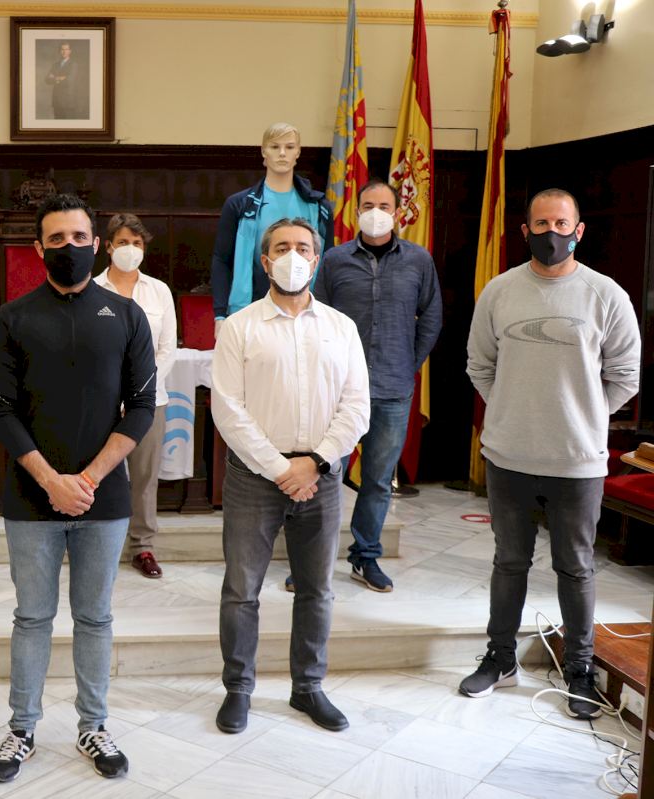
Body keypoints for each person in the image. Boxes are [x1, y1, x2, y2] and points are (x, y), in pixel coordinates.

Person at [0, 194, 156, 783]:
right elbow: (2, 412)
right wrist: (51, 481)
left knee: (95, 618)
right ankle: (21, 729)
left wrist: (86, 479)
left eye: (79, 237)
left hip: (102, 497)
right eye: (56, 239)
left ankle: (93, 725)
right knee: (32, 617)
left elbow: (141, 407)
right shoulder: (12, 318)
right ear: (38, 248)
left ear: (97, 243)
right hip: (30, 497)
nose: (69, 247)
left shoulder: (126, 316)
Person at [461, 189, 640, 719]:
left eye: (562, 224)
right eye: (541, 224)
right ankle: (500, 658)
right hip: (509, 454)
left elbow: (625, 375)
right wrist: (514, 408)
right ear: (525, 231)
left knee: (576, 567)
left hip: (576, 459)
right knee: (509, 561)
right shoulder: (500, 291)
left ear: (579, 231)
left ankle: (580, 670)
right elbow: (479, 365)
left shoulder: (606, 295)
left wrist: (581, 415)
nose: (551, 233)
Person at [211, 218, 369, 736]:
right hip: (255, 475)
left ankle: (308, 687)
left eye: (303, 248)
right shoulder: (240, 327)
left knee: (317, 589)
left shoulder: (341, 327)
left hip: (321, 476)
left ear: (316, 260)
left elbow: (356, 406)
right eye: (282, 248)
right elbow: (227, 410)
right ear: (266, 261)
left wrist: (315, 462)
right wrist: (282, 469)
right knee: (241, 589)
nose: (293, 256)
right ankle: (238, 688)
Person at [314, 179, 442, 592]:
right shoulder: (333, 260)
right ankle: (310, 561)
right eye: (368, 205)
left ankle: (365, 556)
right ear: (356, 212)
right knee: (324, 474)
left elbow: (431, 317)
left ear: (396, 213)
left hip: (392, 390)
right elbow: (316, 318)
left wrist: (409, 364)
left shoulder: (418, 260)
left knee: (377, 480)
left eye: (384, 206)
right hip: (339, 391)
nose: (376, 212)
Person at [93, 213, 176, 578]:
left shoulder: (159, 291)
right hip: (102, 400)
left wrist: (139, 391)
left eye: (137, 243)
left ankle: (142, 546)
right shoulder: (91, 289)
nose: (131, 249)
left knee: (144, 477)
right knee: (100, 472)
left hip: (150, 400)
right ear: (109, 247)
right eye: (123, 242)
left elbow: (168, 348)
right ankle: (96, 543)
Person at [211, 123, 334, 339]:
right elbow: (222, 259)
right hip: (250, 307)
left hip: (306, 311)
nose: (282, 153)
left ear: (298, 152)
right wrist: (220, 314)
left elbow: (327, 262)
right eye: (275, 147)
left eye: (289, 147)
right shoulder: (239, 205)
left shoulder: (318, 206)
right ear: (263, 151)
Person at [45, 41, 79, 119]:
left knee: (68, 124)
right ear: (59, 51)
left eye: (66, 49)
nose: (64, 51)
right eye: (62, 49)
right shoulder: (55, 65)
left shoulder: (73, 65)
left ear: (70, 51)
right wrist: (60, 78)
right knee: (57, 123)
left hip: (67, 101)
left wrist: (54, 77)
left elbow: (69, 81)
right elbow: (47, 80)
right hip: (56, 100)